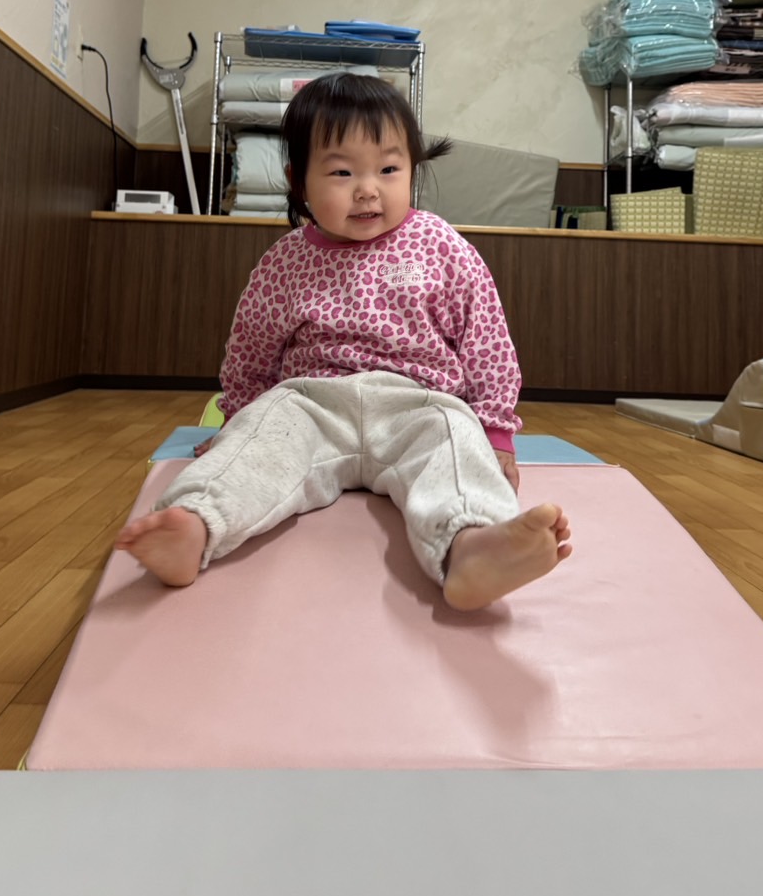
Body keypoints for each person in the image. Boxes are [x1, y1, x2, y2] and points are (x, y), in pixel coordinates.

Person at [116, 73, 571, 610]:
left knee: (454, 445)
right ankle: (194, 525)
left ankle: (473, 547)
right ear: (298, 181)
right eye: (341, 172)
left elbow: (486, 340)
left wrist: (495, 431)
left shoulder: (438, 244)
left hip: (419, 404)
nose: (368, 189)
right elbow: (250, 349)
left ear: (412, 169)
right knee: (260, 445)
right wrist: (240, 420)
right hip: (312, 404)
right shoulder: (286, 260)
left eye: (388, 169)